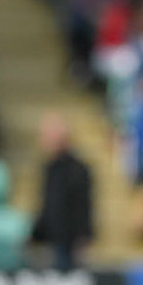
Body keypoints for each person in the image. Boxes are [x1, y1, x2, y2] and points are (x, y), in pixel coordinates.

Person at [33, 114, 94, 271]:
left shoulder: (78, 169)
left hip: (69, 243)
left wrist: (83, 237)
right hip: (53, 240)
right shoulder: (49, 168)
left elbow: (83, 207)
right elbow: (47, 206)